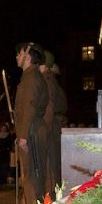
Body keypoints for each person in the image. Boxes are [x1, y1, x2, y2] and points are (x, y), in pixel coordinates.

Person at [14, 42, 49, 204]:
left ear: (27, 56)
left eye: (19, 54)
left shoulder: (31, 77)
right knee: (33, 177)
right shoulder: (30, 76)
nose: (17, 57)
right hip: (33, 129)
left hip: (31, 131)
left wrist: (23, 136)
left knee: (31, 179)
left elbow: (29, 107)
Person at [41, 51, 68, 193]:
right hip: (53, 126)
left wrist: (43, 129)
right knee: (52, 165)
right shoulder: (51, 80)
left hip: (49, 127)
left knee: (50, 166)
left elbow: (49, 107)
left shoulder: (46, 80)